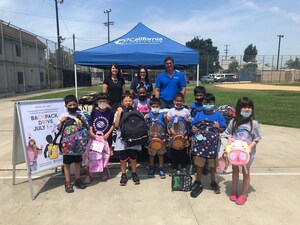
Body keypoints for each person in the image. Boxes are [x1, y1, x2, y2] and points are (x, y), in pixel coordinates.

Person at [224, 97, 261, 205]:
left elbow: (257, 138)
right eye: (244, 107)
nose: (247, 109)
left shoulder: (254, 123)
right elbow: (228, 134)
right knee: (235, 170)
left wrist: (249, 147)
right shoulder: (233, 122)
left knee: (246, 172)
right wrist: (229, 144)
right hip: (235, 153)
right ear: (239, 108)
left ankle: (244, 194)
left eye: (249, 107)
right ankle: (234, 191)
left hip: (247, 154)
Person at [190, 93, 226, 198]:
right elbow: (193, 125)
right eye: (206, 102)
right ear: (203, 103)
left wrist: (218, 128)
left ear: (214, 103)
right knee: (199, 163)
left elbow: (223, 129)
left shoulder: (218, 116)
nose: (208, 104)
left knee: (212, 165)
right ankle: (198, 180)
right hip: (200, 144)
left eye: (210, 102)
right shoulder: (199, 115)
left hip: (212, 145)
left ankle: (213, 181)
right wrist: (193, 129)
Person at [57, 94, 87, 193]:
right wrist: (61, 122)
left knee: (77, 163)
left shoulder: (80, 114)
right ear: (66, 106)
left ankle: (78, 179)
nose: (72, 107)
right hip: (67, 146)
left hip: (78, 145)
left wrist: (83, 121)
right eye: (70, 105)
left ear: (77, 104)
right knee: (67, 164)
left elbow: (85, 128)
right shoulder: (63, 115)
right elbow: (59, 130)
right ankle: (68, 182)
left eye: (74, 104)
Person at [84, 93, 114, 184]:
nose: (102, 103)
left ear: (108, 102)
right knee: (92, 156)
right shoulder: (94, 111)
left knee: (104, 156)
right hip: (95, 138)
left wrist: (108, 134)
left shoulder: (110, 112)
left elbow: (113, 124)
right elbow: (90, 123)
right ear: (97, 102)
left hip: (105, 138)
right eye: (100, 101)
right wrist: (91, 132)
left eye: (104, 101)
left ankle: (103, 170)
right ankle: (89, 174)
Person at [113, 92, 142, 186]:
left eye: (130, 100)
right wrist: (120, 112)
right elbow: (116, 125)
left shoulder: (136, 111)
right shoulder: (118, 112)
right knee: (123, 158)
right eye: (126, 101)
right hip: (122, 138)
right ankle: (124, 174)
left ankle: (134, 173)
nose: (128, 102)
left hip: (134, 138)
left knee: (133, 157)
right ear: (122, 102)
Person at [167, 92, 191, 175]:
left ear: (183, 101)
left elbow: (189, 123)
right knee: (174, 153)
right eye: (177, 101)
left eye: (181, 101)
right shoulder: (171, 111)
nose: (179, 102)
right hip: (174, 136)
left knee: (183, 153)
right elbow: (169, 123)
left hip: (183, 136)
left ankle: (184, 168)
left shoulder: (186, 111)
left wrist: (188, 121)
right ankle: (175, 168)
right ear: (174, 101)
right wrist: (170, 129)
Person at [144, 97, 168, 179]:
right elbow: (144, 127)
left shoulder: (163, 115)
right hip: (151, 140)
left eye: (157, 106)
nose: (155, 108)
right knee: (151, 155)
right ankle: (152, 167)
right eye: (153, 106)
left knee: (161, 155)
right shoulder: (148, 116)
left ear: (160, 106)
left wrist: (167, 119)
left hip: (161, 139)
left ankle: (161, 168)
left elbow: (169, 125)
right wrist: (145, 119)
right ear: (150, 106)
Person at [189, 86, 210, 175]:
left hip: (204, 129)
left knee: (204, 147)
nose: (199, 97)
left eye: (201, 95)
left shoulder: (206, 105)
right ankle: (194, 165)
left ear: (204, 95)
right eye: (197, 95)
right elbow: (188, 114)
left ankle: (204, 165)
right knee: (194, 148)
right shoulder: (193, 105)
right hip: (195, 129)